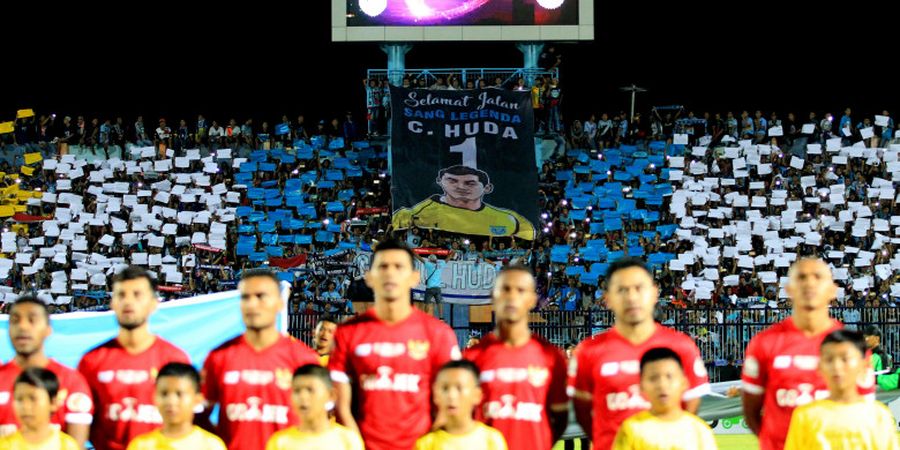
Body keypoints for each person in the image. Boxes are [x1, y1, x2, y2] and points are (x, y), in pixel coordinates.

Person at [329, 238, 461, 450]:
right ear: (370, 277)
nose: (390, 273)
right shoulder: (347, 333)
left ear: (414, 277)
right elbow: (340, 406)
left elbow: (450, 403)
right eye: (383, 266)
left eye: (398, 267)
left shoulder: (438, 334)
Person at [571, 258, 709, 450]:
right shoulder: (588, 352)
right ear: (607, 298)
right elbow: (582, 409)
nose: (631, 297)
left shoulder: (682, 347)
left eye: (639, 288)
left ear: (654, 293)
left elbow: (691, 404)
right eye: (622, 290)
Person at [742, 258, 875, 450]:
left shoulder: (852, 347)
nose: (809, 283)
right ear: (789, 289)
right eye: (802, 277)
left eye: (818, 277)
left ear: (832, 290)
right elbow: (751, 411)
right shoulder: (764, 343)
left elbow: (863, 410)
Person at [202, 269, 320, 450]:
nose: (252, 304)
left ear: (280, 303)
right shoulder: (218, 357)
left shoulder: (304, 358)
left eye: (260, 296)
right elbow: (200, 416)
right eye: (245, 298)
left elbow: (318, 422)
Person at [78, 267, 191, 450]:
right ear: (112, 303)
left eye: (137, 295)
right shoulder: (91, 361)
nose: (128, 302)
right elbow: (79, 425)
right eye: (121, 295)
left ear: (153, 303)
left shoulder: (175, 359)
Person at [464, 265, 568, 450]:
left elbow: (560, 416)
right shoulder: (472, 357)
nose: (512, 296)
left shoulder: (552, 357)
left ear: (532, 300)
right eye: (505, 289)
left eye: (520, 290)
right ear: (493, 298)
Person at [0, 296, 93, 446]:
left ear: (48, 330)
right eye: (15, 321)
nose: (23, 327)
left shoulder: (71, 382)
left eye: (32, 320)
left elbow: (76, 445)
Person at [783, 330, 899, 450]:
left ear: (863, 365)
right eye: (829, 360)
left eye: (845, 359)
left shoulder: (879, 417)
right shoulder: (804, 416)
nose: (837, 366)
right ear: (819, 367)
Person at [612, 347, 717, 450]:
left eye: (669, 377)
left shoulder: (700, 431)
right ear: (641, 386)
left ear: (684, 383)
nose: (662, 385)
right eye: (653, 378)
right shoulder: (632, 429)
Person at [392, 165, 536, 240]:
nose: (460, 187)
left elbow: (530, 241)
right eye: (452, 180)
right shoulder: (413, 214)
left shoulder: (511, 220)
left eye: (470, 183)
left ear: (487, 188)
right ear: (439, 182)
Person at [126, 363, 226, 450]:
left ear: (197, 400)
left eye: (179, 394)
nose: (171, 401)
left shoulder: (211, 446)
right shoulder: (141, 446)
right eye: (164, 394)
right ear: (154, 397)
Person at [265, 365, 364, 450]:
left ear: (331, 395)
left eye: (310, 390)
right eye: (297, 391)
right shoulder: (280, 443)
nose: (303, 397)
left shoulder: (348, 441)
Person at [414, 360, 507, 450]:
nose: (451, 396)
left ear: (477, 395)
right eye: (445, 388)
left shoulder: (491, 440)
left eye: (459, 388)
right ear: (435, 395)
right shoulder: (427, 443)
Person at [0, 369, 79, 450]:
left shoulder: (67, 446)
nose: (25, 406)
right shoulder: (4, 446)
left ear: (53, 403)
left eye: (33, 399)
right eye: (19, 399)